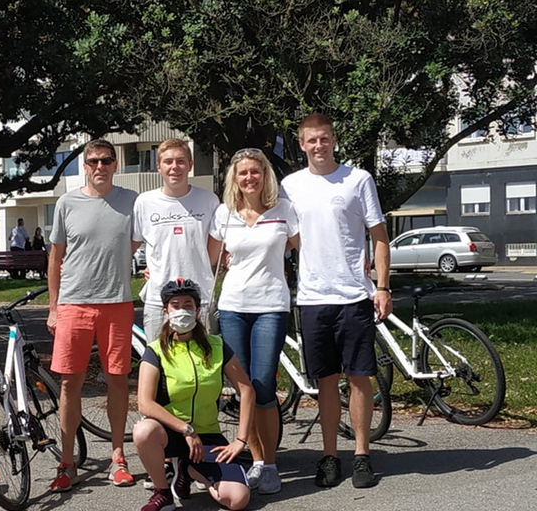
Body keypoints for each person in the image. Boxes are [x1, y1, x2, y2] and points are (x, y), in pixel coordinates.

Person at [280, 113, 392, 489]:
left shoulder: (358, 179)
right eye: (311, 140)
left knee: (360, 378)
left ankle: (361, 455)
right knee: (325, 381)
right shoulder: (290, 185)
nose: (318, 146)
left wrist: (382, 286)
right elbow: (286, 238)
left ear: (333, 139)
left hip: (354, 295)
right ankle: (329, 455)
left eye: (324, 139)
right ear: (301, 144)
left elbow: (378, 235)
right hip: (312, 299)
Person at [47, 139, 138, 492]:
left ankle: (118, 457)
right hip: (74, 304)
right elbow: (56, 257)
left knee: (117, 380)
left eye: (106, 161)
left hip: (117, 302)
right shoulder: (67, 203)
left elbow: (144, 240)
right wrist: (54, 307)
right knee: (71, 383)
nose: (100, 167)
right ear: (84, 166)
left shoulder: (131, 201)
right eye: (93, 161)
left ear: (116, 165)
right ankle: (67, 462)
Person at [209, 148, 298, 495]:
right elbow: (210, 260)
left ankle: (271, 464)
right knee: (243, 387)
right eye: (243, 173)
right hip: (232, 307)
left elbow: (306, 249)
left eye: (255, 172)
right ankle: (258, 461)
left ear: (265, 176)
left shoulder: (285, 211)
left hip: (271, 307)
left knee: (263, 387)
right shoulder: (224, 214)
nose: (249, 178)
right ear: (235, 177)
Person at [135, 278, 254, 511]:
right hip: (170, 433)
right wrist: (185, 429)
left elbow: (247, 390)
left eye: (188, 304)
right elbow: (145, 403)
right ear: (166, 311)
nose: (182, 310)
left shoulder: (217, 345)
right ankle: (163, 493)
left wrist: (240, 440)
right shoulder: (156, 351)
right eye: (175, 305)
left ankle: (188, 470)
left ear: (198, 310)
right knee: (143, 430)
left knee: (238, 500)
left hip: (208, 435)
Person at [133, 138, 220, 342]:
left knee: (205, 364)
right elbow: (130, 245)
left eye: (181, 161)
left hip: (201, 300)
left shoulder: (209, 200)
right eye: (168, 161)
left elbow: (214, 252)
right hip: (159, 301)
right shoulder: (144, 202)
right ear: (158, 167)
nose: (175, 167)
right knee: (159, 364)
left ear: (190, 165)